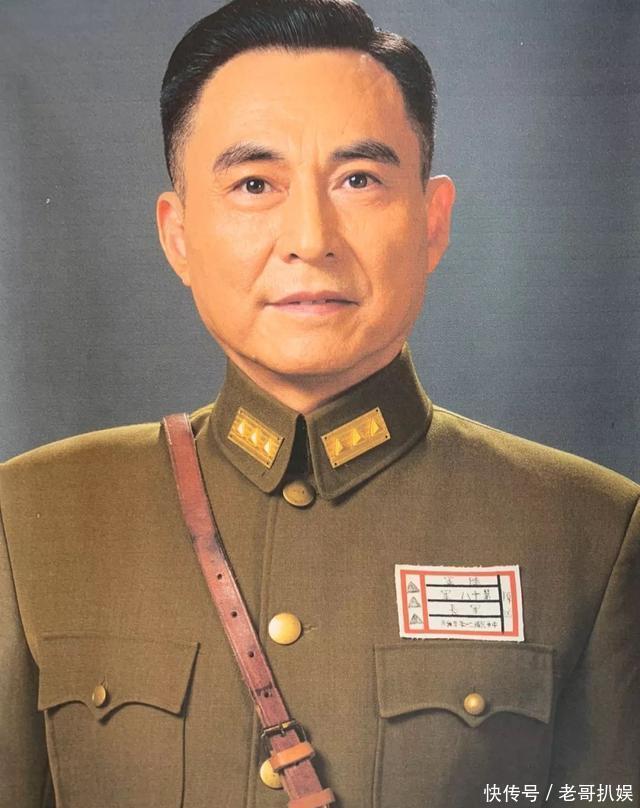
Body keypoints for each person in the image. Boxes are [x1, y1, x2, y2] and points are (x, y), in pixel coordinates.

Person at [0, 1, 638, 806]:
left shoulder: (591, 531)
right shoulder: (32, 515)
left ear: (433, 222)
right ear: (178, 234)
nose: (310, 236)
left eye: (359, 180)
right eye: (254, 183)